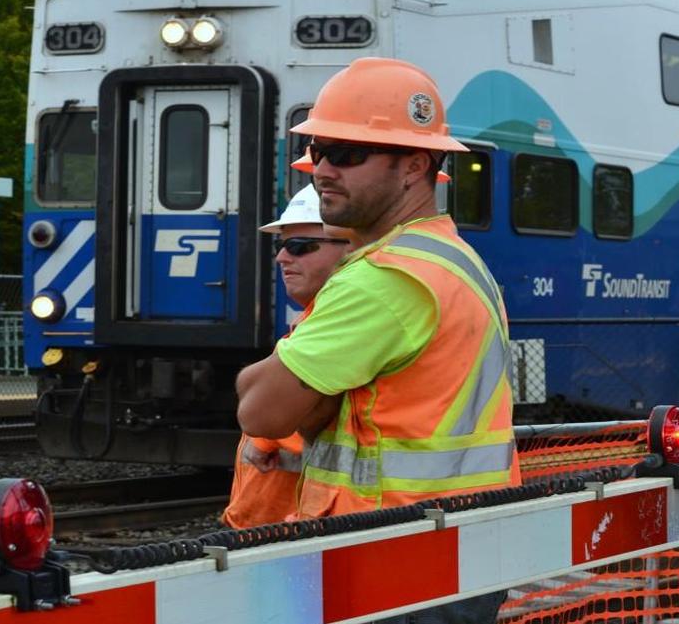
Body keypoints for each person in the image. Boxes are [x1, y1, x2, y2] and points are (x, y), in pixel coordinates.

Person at [236, 58, 518, 623]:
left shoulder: (384, 278)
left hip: (391, 553)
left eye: (346, 154)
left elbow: (260, 409)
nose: (321, 170)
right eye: (317, 152)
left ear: (414, 166)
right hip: (458, 549)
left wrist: (273, 381)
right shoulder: (453, 259)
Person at [222, 185, 351, 529]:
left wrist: (268, 435)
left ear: (351, 249)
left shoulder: (346, 319)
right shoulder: (315, 316)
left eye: (300, 247)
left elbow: (328, 413)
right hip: (273, 530)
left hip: (287, 535)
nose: (282, 258)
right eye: (281, 246)